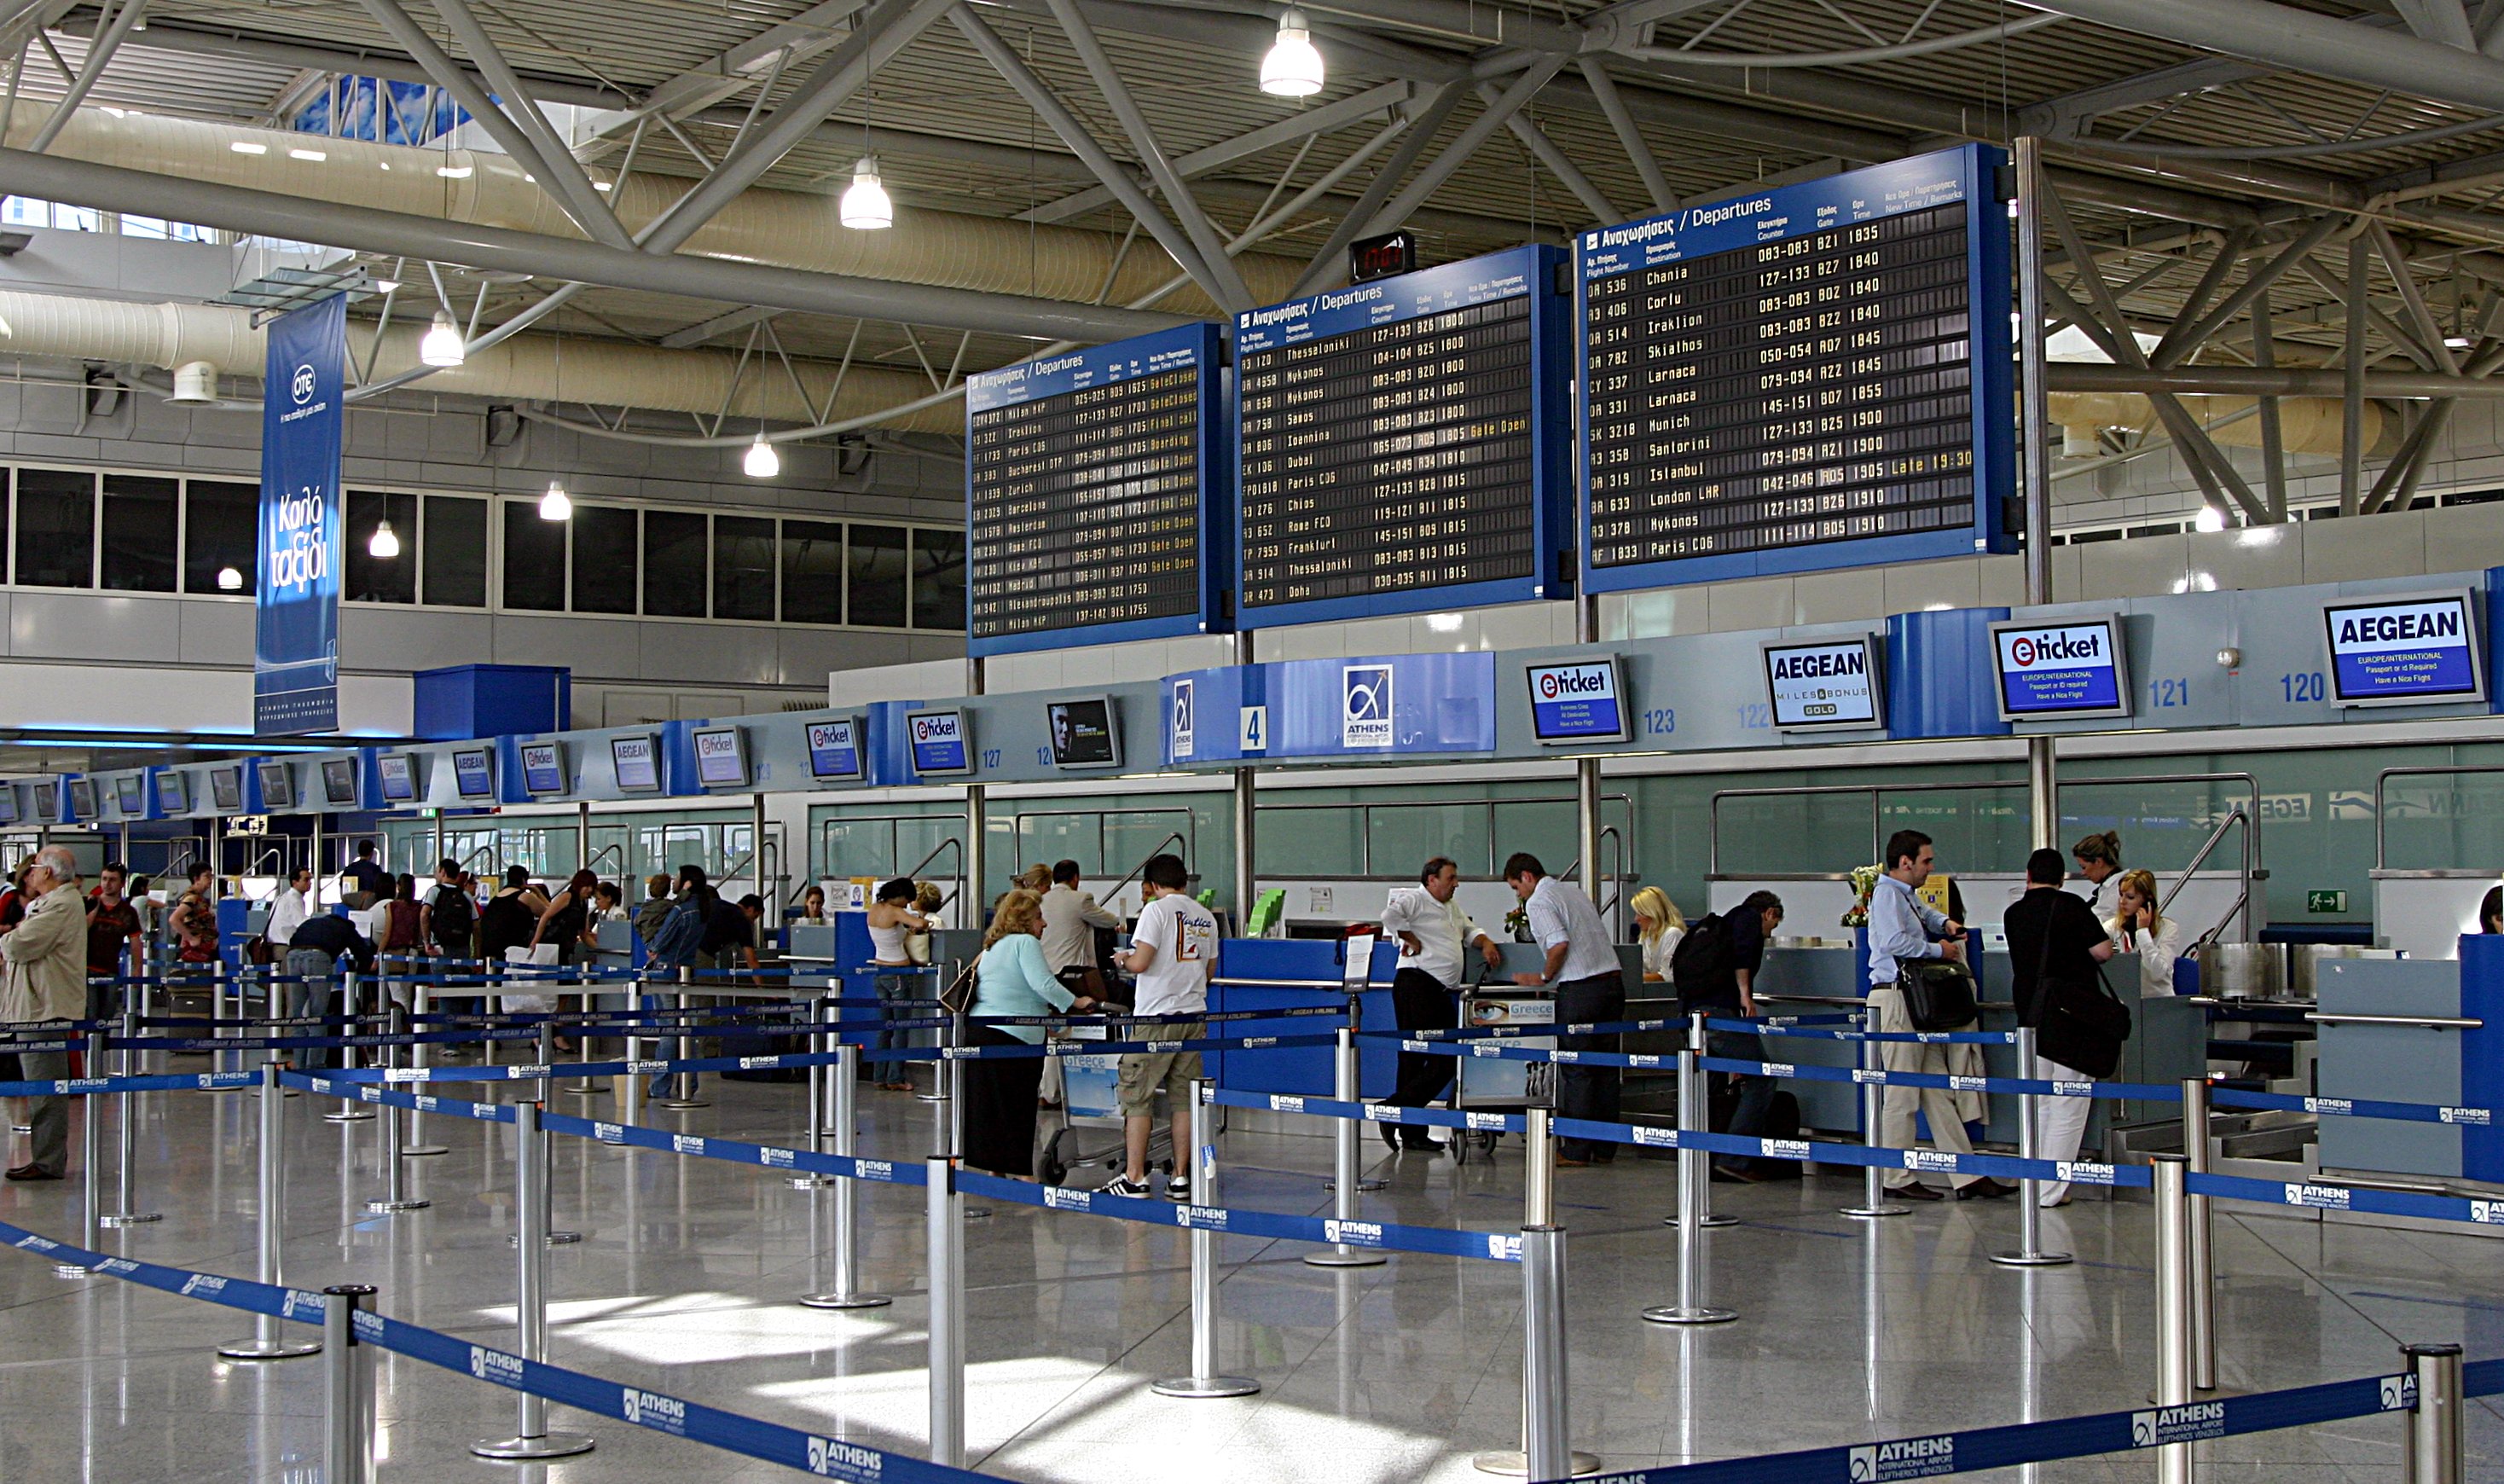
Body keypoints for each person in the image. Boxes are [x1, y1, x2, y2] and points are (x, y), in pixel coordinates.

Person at [1866, 830, 2013, 1202]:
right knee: (1902, 1094)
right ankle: (1894, 1176)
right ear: (1905, 862)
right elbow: (1893, 942)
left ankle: (1965, 1175)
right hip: (1898, 1001)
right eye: (1927, 861)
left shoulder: (1904, 895)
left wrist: (1945, 923)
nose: (1931, 868)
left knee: (1936, 1089)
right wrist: (1939, 950)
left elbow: (1923, 913)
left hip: (1914, 1006)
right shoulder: (1886, 895)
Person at [1102, 854, 1215, 1198]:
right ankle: (1181, 1177)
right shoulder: (1206, 916)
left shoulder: (1156, 910)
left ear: (1152, 885)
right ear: (1184, 881)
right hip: (1193, 1016)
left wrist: (1123, 958)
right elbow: (1208, 971)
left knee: (1139, 1097)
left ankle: (1135, 1177)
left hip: (1155, 1018)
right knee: (1184, 1099)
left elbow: (1141, 961)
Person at [965, 888, 1095, 1179]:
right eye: (1039, 917)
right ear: (1024, 920)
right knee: (1019, 1108)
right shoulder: (1025, 942)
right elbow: (1044, 984)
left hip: (982, 1031)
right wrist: (1076, 1002)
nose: (1044, 924)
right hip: (1014, 1036)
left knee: (993, 1109)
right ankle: (1023, 1175)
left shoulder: (992, 946)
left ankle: (996, 1169)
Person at [1505, 852, 1624, 1167]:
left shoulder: (1539, 901)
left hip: (1581, 990)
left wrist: (1543, 977)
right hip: (1612, 985)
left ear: (1527, 877)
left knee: (1578, 1069)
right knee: (1607, 1069)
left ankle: (1576, 1149)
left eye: (1517, 887)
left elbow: (1558, 943)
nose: (1518, 895)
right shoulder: (1572, 891)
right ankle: (1605, 1147)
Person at [1379, 856, 1502, 1151]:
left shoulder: (1451, 908)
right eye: (1451, 878)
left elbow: (1469, 930)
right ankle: (1393, 1110)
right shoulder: (1416, 899)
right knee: (1439, 1058)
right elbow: (1389, 916)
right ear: (1431, 880)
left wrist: (1485, 942)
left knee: (1420, 1059)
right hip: (1417, 984)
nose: (1456, 883)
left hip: (1436, 990)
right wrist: (1409, 936)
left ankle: (1410, 1130)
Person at [1672, 890, 1784, 1182]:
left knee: (1708, 1085)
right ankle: (1734, 1159)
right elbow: (1743, 956)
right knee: (1762, 1076)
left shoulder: (1721, 924)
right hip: (1719, 1012)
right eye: (1773, 926)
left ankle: (1700, 1157)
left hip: (1693, 1013)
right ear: (1770, 913)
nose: (1769, 933)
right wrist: (1747, 997)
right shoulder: (1748, 918)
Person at [0, 847, 86, 1180]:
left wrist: (9, 938)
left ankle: (48, 1161)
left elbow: (19, 945)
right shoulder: (50, 903)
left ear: (48, 872)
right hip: (33, 1006)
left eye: (34, 868)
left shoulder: (62, 904)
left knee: (45, 1088)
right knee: (38, 1087)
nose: (29, 874)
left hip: (45, 1010)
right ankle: (44, 1157)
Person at [286, 906, 376, 1072]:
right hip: (318, 957)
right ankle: (315, 1066)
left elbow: (293, 940)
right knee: (318, 1015)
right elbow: (365, 956)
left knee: (298, 1016)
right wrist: (355, 976)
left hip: (292, 956)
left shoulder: (312, 923)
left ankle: (299, 1065)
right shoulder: (347, 928)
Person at [866, 878, 930, 1092]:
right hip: (899, 973)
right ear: (901, 895)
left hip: (880, 972)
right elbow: (920, 924)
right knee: (901, 1028)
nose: (906, 904)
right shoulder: (894, 910)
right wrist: (920, 918)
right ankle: (896, 1078)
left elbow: (890, 936)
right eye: (907, 900)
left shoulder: (874, 909)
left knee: (885, 1028)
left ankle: (879, 1076)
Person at [1040, 860, 1118, 997]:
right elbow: (1109, 921)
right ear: (1076, 878)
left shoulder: (1041, 900)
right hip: (1070, 975)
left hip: (1044, 972)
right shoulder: (1081, 899)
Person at [2107, 868, 2185, 1000]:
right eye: (2121, 894)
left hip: (2157, 1001)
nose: (2122, 901)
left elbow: (2157, 973)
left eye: (2130, 897)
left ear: (2147, 900)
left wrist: (2143, 933)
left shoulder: (2168, 928)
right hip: (2125, 1001)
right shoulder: (2113, 926)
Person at [84, 861, 144, 1022]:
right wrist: (94, 905)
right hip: (86, 967)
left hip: (110, 968)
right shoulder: (89, 904)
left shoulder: (128, 912)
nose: (107, 884)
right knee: (90, 1014)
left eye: (112, 880)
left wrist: (137, 969)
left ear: (122, 883)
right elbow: (79, 930)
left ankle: (103, 1045)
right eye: (104, 879)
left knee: (107, 1014)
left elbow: (135, 941)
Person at [528, 869, 598, 965]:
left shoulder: (584, 904)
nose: (590, 889)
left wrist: (599, 949)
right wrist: (535, 940)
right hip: (552, 944)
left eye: (592, 886)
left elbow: (584, 934)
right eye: (586, 886)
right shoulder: (567, 896)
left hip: (566, 947)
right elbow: (545, 916)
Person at [1631, 886, 1685, 983]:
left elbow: (1670, 976)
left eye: (1640, 914)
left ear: (1652, 913)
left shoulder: (1673, 934)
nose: (1636, 919)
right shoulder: (1645, 937)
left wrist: (1633, 979)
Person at [423, 858, 475, 960]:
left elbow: (424, 915)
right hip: (462, 946)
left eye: (437, 871)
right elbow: (476, 925)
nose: (435, 874)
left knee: (440, 975)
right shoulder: (465, 895)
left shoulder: (435, 891)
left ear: (443, 872)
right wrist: (477, 953)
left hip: (439, 946)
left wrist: (426, 942)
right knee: (461, 976)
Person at [704, 893, 765, 971]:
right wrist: (760, 983)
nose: (753, 922)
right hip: (703, 952)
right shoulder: (742, 920)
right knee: (706, 982)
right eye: (755, 917)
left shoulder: (716, 904)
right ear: (751, 909)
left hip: (687, 947)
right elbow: (751, 961)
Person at [2072, 832, 2123, 916]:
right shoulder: (2108, 888)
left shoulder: (2115, 892)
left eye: (2084, 867)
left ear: (2098, 862)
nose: (2083, 873)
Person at [266, 866, 312, 958]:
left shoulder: (282, 897)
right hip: (284, 948)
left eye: (310, 880)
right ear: (295, 882)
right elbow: (302, 923)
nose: (310, 883)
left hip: (275, 945)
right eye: (306, 880)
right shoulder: (293, 900)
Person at [341, 840, 392, 907]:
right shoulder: (375, 869)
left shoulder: (349, 869)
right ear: (371, 853)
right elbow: (380, 887)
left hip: (351, 903)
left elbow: (344, 888)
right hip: (370, 904)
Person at [635, 873, 676, 942]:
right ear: (668, 889)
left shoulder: (645, 908)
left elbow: (637, 925)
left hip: (648, 941)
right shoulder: (671, 906)